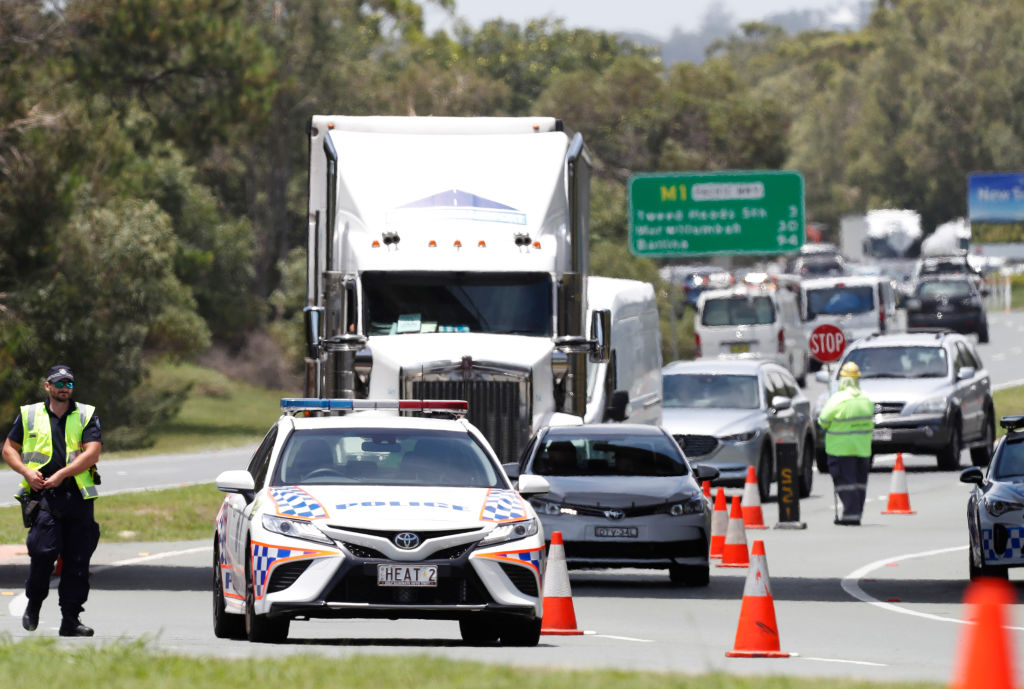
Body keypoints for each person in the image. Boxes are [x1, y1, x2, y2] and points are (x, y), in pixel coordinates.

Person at [1, 364, 101, 636]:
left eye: (68, 384)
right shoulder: (30, 414)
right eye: (59, 383)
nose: (64, 388)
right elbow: (9, 448)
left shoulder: (85, 414)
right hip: (43, 495)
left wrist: (63, 474)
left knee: (77, 561)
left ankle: (71, 620)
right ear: (47, 386)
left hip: (77, 496)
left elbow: (92, 453)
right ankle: (33, 604)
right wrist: (25, 471)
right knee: (43, 553)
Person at [817, 361, 874, 525]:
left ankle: (850, 517)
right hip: (862, 450)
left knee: (845, 484)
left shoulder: (838, 400)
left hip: (840, 450)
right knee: (859, 485)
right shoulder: (866, 400)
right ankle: (856, 514)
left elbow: (823, 421)